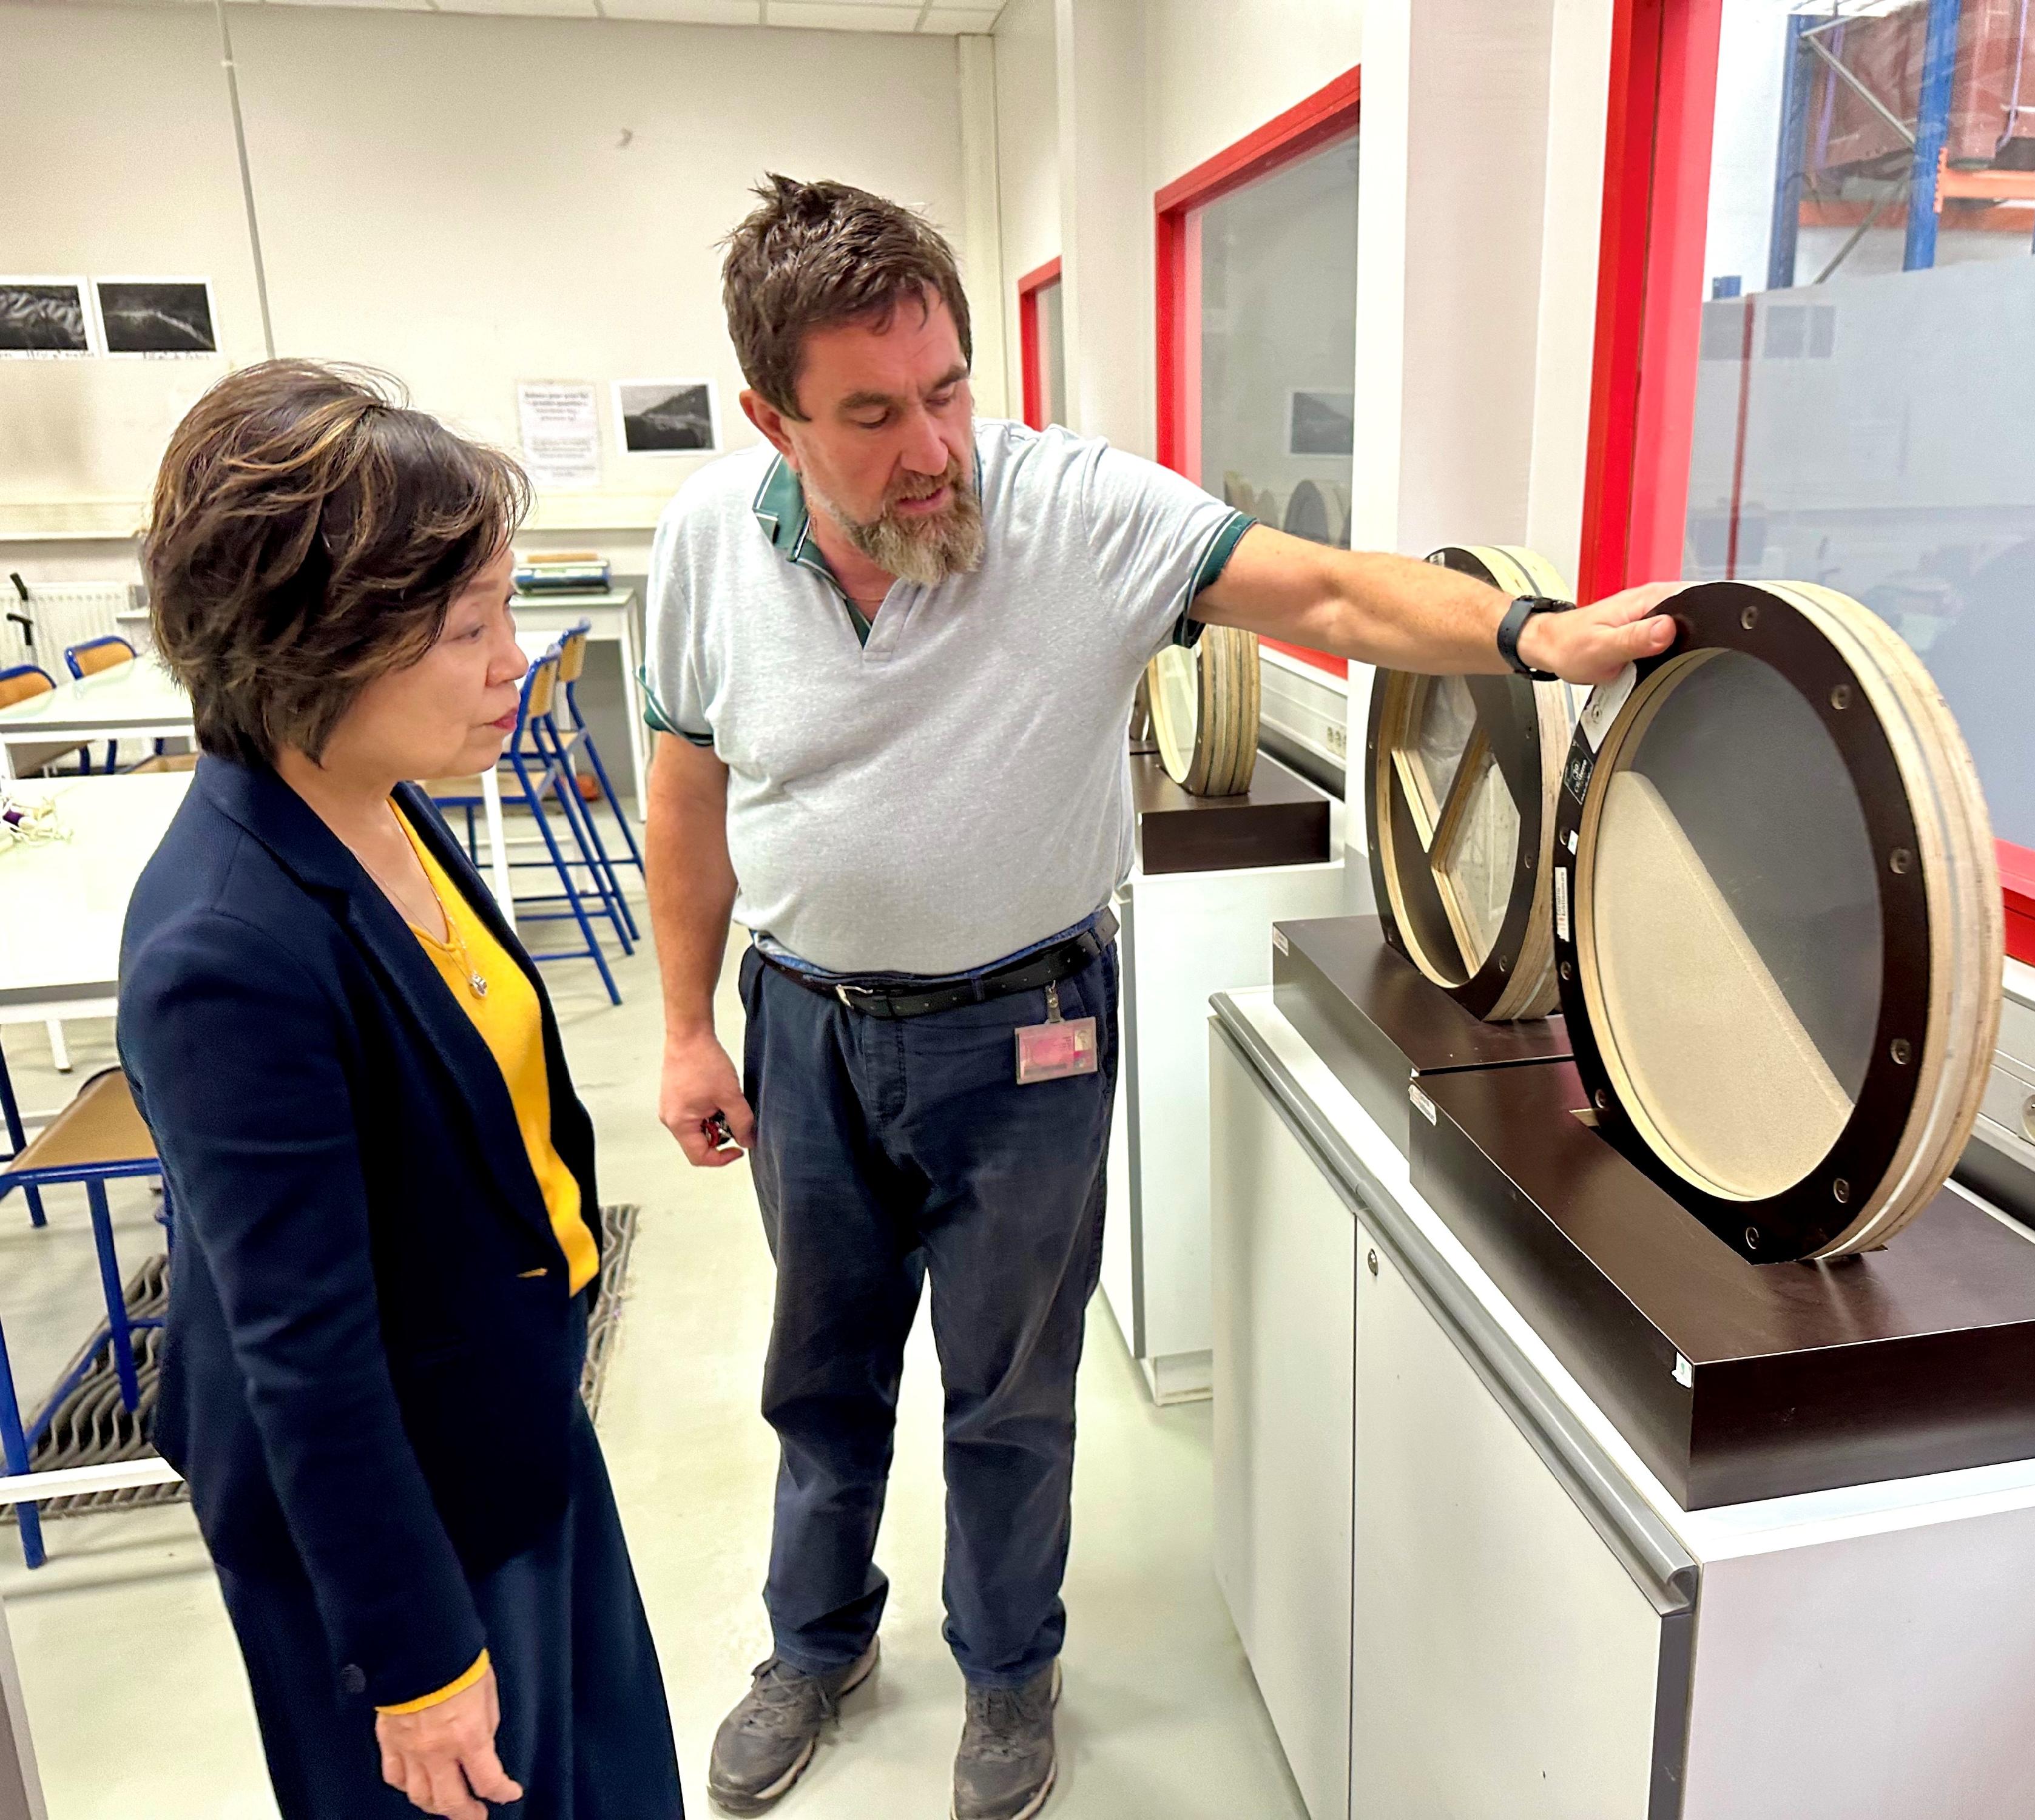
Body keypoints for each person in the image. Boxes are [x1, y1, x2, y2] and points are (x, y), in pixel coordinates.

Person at [646, 177, 1675, 1820]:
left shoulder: (1076, 511)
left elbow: (1328, 592)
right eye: (871, 416)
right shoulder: (704, 544)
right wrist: (691, 1024)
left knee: (1009, 1389)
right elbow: (690, 791)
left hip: (1027, 1037)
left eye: (950, 391)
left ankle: (1006, 1674)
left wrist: (1526, 631)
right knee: (822, 1374)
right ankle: (814, 1644)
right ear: (773, 420)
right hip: (806, 1028)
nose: (934, 450)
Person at [118, 360, 683, 1820]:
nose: (515, 661)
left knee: (602, 1773)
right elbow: (303, 1349)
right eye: (468, 630)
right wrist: (418, 1661)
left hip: (506, 1410)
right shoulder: (222, 952)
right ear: (309, 646)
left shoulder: (379, 805)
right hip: (391, 1516)